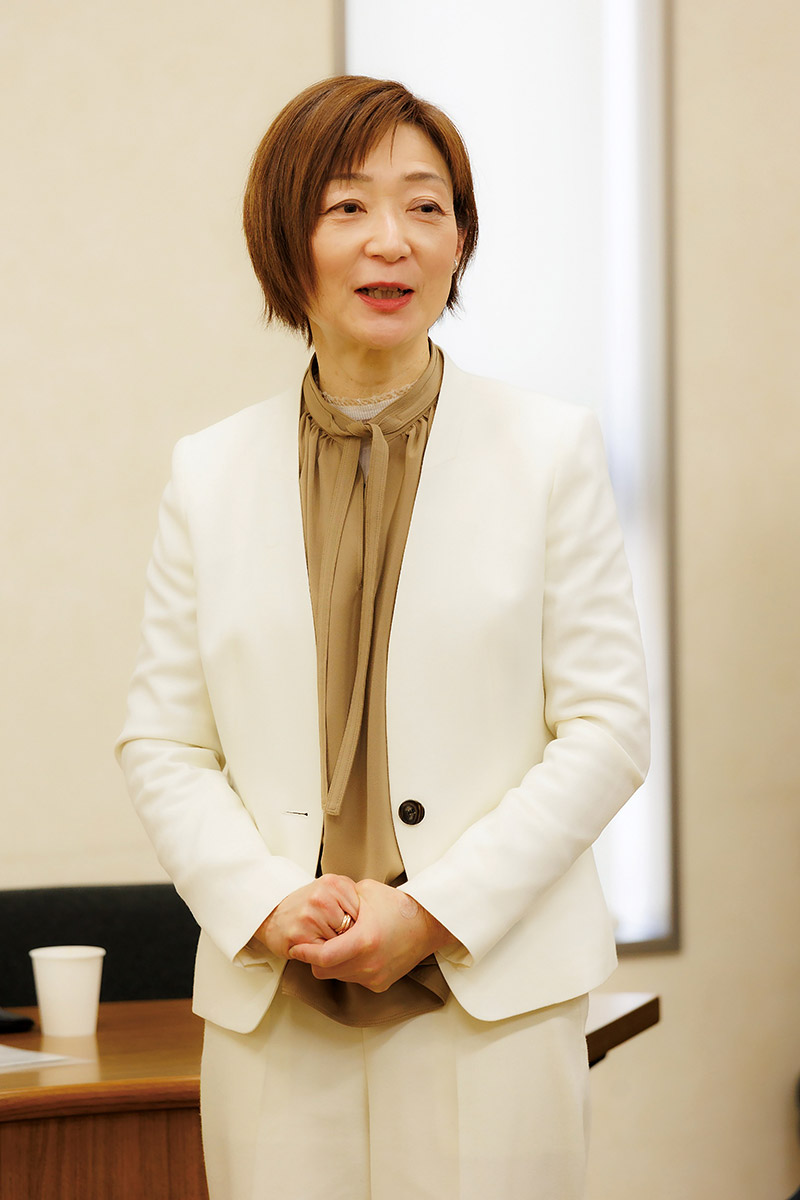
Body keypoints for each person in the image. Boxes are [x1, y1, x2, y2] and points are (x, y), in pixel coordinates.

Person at [117, 75, 649, 1200]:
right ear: (285, 240)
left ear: (458, 241)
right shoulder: (208, 473)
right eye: (348, 206)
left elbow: (606, 730)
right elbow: (163, 743)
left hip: (490, 999)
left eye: (426, 205)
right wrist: (261, 899)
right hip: (278, 1007)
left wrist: (434, 911)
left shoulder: (550, 451)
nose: (391, 241)